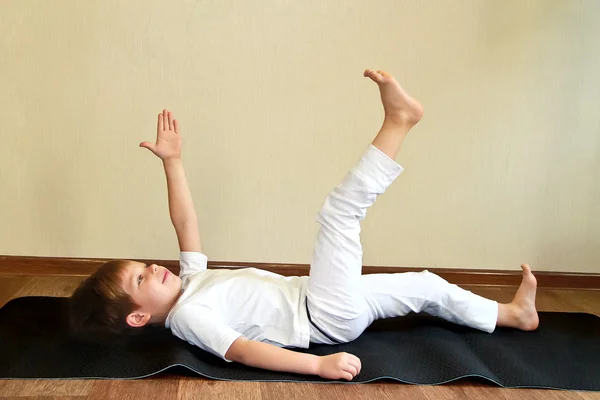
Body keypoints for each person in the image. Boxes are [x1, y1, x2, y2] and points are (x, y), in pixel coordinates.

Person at [69, 69, 539, 381]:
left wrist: (172, 161)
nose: (153, 268)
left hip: (319, 296)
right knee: (339, 214)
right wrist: (317, 367)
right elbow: (243, 352)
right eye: (140, 277)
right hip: (322, 316)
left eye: (143, 265)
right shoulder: (189, 317)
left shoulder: (191, 282)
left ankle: (512, 315)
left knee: (425, 285)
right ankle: (398, 121)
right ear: (137, 315)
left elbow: (185, 221)